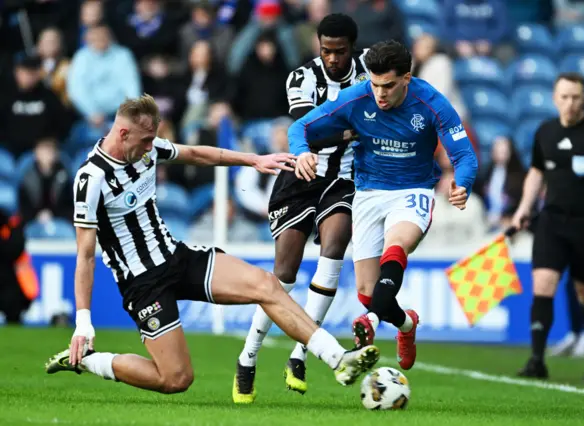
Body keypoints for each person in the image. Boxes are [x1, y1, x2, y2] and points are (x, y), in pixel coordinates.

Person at [44, 94, 380, 396]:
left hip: (176, 258)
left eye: (153, 140)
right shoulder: (92, 179)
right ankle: (89, 361)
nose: (152, 148)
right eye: (146, 140)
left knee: (267, 285)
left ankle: (339, 358)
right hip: (143, 284)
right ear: (122, 134)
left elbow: (194, 154)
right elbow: (85, 256)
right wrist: (83, 323)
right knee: (176, 379)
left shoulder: (148, 149)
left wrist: (252, 160)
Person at [289, 40, 478, 371]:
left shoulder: (432, 102)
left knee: (397, 244)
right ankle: (406, 324)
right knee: (367, 291)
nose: (380, 94)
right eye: (375, 84)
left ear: (407, 77)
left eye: (388, 85)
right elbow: (300, 126)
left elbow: (464, 155)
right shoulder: (357, 96)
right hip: (368, 194)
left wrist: (462, 183)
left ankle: (372, 320)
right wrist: (302, 150)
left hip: (413, 190)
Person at [234, 14, 370, 402]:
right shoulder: (301, 78)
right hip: (299, 177)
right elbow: (308, 128)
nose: (332, 58)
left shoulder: (367, 75)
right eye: (325, 50)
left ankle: (300, 352)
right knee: (284, 276)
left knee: (335, 245)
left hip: (342, 178)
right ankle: (248, 357)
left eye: (339, 52)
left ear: (352, 49)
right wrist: (351, 128)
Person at [511, 73, 584, 380]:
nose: (570, 103)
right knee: (542, 287)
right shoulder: (545, 132)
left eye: (575, 97)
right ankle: (536, 360)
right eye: (564, 96)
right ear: (554, 98)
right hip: (552, 221)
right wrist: (523, 208)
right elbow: (536, 173)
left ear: (583, 98)